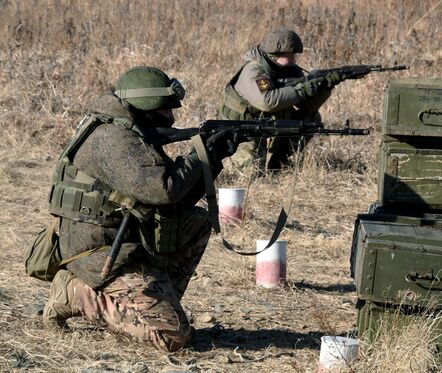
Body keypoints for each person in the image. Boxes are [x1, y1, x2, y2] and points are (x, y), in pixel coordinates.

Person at [42, 66, 237, 351]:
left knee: (194, 222)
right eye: (165, 109)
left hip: (125, 241)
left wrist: (214, 156)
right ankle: (77, 294)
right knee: (173, 338)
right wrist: (198, 154)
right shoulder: (114, 140)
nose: (171, 117)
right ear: (145, 109)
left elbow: (176, 200)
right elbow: (164, 188)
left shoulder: (128, 130)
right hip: (99, 253)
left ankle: (155, 306)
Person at [218, 28, 343, 173]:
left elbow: (307, 106)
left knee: (311, 118)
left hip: (269, 126)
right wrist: (301, 90)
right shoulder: (254, 71)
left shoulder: (288, 69)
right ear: (274, 55)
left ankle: (280, 160)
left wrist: (326, 86)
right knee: (252, 176)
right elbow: (267, 102)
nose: (294, 60)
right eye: (290, 55)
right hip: (244, 132)